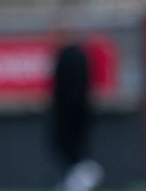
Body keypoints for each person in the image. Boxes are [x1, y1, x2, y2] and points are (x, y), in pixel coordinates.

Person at [49, 31, 104, 191]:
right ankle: (76, 179)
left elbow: (65, 89)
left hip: (70, 111)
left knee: (68, 146)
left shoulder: (68, 57)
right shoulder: (81, 55)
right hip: (81, 110)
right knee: (75, 147)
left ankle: (82, 178)